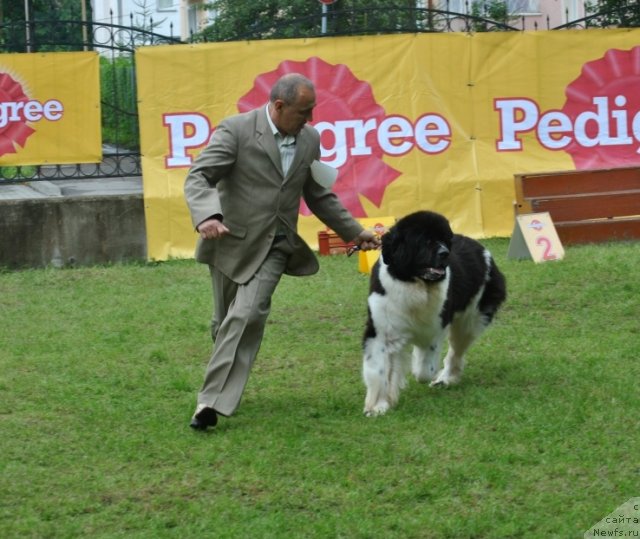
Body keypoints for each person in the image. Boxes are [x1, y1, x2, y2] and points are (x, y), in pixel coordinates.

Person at [184, 73, 380, 430]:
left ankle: (210, 403)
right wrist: (207, 216)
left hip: (276, 244)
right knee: (224, 321)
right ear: (278, 106)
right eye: (304, 111)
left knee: (249, 314)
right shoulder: (236, 131)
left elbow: (318, 195)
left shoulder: (310, 139)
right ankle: (224, 377)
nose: (311, 119)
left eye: (312, 111)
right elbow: (199, 176)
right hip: (229, 241)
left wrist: (354, 232)